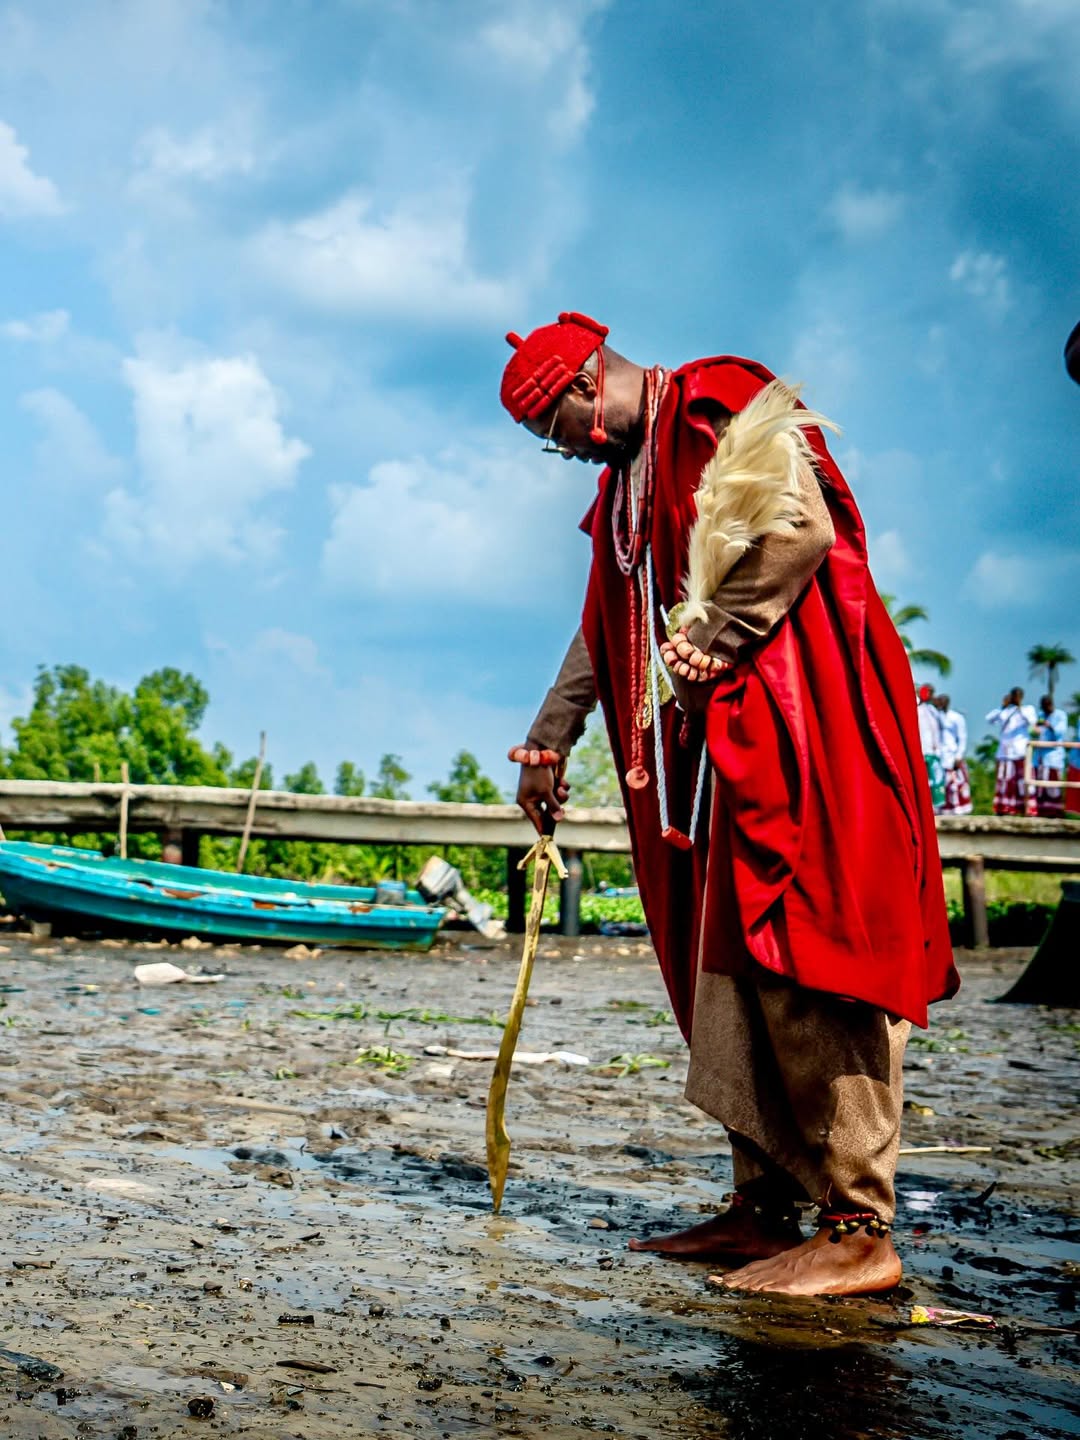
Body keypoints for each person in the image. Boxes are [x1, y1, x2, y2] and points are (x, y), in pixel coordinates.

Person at [500, 313, 957, 1298]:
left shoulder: (715, 400)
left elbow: (801, 528)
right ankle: (765, 1205)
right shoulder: (625, 486)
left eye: (553, 431)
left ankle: (858, 1227)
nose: (563, 452)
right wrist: (550, 736)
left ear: (583, 387)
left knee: (806, 952)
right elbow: (608, 621)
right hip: (717, 757)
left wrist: (716, 629)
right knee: (728, 969)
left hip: (807, 730)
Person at [985, 688, 1038, 816]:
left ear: (1021, 697)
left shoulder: (1028, 709)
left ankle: (1026, 809)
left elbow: (1032, 722)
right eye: (1014, 696)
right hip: (1005, 753)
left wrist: (1019, 707)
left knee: (1024, 781)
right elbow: (989, 719)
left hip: (1021, 752)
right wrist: (1002, 706)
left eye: (1017, 696)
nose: (1015, 698)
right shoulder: (1005, 711)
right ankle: (1004, 808)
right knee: (1005, 781)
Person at [933, 693, 972, 816]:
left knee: (955, 785)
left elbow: (962, 737)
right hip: (940, 755)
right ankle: (941, 810)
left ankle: (958, 810)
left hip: (953, 755)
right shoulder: (936, 715)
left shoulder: (956, 717)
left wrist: (959, 755)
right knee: (940, 784)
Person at [1031, 693, 1069, 818]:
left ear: (1050, 704)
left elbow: (1060, 733)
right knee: (1040, 786)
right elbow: (1032, 732)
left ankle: (1055, 813)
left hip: (1054, 757)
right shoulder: (1041, 715)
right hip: (1040, 757)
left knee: (1053, 787)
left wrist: (1049, 725)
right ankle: (1041, 812)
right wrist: (1035, 728)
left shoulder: (1060, 715)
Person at [916, 683, 945, 813]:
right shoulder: (916, 709)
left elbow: (939, 729)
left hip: (934, 751)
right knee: (923, 780)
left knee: (936, 778)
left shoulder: (933, 711)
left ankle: (936, 807)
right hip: (922, 750)